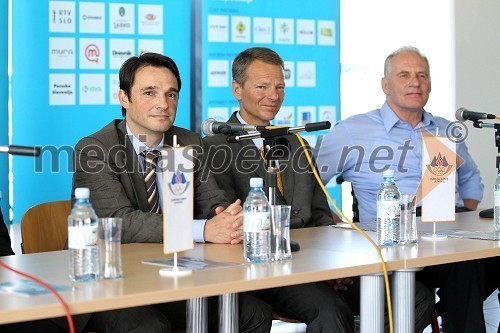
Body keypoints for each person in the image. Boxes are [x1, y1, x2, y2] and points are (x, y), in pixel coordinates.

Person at [203, 47, 434, 333]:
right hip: (264, 270)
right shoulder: (215, 147)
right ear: (237, 89)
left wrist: (332, 267)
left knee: (415, 295)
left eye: (280, 87)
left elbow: (322, 216)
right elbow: (229, 225)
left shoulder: (295, 143)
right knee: (331, 311)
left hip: (315, 263)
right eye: (262, 86)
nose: (273, 96)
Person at [72, 52, 272, 333]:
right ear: (124, 98)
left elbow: (211, 201)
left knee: (254, 313)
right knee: (151, 328)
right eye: (149, 93)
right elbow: (118, 221)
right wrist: (203, 230)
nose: (163, 104)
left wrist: (225, 219)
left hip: (177, 273)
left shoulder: (187, 140)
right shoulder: (95, 148)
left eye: (171, 94)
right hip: (115, 282)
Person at [317, 45, 498, 333]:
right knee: (467, 265)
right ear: (385, 85)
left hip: (445, 234)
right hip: (390, 241)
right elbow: (312, 185)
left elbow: (471, 181)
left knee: (472, 260)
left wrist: (464, 216)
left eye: (422, 75)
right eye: (404, 75)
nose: (415, 82)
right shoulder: (352, 131)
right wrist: (336, 227)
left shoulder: (445, 129)